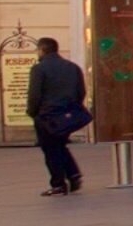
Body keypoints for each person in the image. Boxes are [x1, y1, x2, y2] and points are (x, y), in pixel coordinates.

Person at [25, 34, 87, 196]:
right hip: (67, 116)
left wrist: (33, 113)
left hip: (47, 116)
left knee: (50, 150)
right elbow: (81, 92)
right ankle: (73, 175)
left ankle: (59, 183)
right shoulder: (72, 67)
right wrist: (72, 109)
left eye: (37, 50)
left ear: (42, 50)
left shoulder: (39, 69)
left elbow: (34, 95)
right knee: (60, 145)